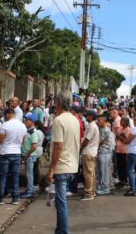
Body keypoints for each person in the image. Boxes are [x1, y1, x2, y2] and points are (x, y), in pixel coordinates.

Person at [45, 93, 81, 234]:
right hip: (72, 166)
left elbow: (58, 146)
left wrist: (51, 169)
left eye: (55, 102)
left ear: (58, 103)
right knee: (61, 202)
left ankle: (63, 231)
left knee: (60, 203)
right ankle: (60, 230)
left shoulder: (58, 120)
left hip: (62, 167)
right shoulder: (74, 119)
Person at [0, 108, 27, 205]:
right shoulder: (22, 125)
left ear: (8, 114)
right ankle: (15, 198)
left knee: (3, 176)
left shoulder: (5, 124)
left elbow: (0, 139)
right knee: (15, 176)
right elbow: (23, 139)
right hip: (17, 152)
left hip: (5, 152)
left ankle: (0, 198)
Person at [80, 110, 100, 201]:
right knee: (91, 173)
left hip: (88, 151)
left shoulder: (92, 126)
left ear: (91, 116)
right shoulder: (93, 125)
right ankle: (92, 191)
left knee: (88, 174)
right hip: (91, 151)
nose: (86, 117)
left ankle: (89, 193)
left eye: (87, 115)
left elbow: (86, 140)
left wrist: (80, 147)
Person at [123, 114, 136, 196]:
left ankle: (133, 188)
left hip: (132, 151)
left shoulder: (135, 129)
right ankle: (135, 187)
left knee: (130, 170)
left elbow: (127, 141)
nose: (134, 122)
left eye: (135, 120)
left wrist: (123, 138)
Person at [20, 112, 39, 199]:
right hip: (28, 155)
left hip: (30, 156)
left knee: (29, 173)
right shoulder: (28, 131)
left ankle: (30, 191)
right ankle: (28, 190)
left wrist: (27, 154)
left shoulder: (33, 132)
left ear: (31, 121)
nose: (25, 121)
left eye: (27, 120)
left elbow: (34, 145)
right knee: (28, 173)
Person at [96, 114, 116, 195]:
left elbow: (99, 142)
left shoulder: (106, 130)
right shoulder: (101, 129)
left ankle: (105, 188)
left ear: (104, 121)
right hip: (102, 152)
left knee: (104, 171)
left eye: (99, 120)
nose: (98, 122)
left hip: (105, 152)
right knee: (101, 171)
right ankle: (102, 186)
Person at [115, 116, 131, 187]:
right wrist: (118, 136)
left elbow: (125, 140)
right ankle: (121, 180)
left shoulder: (128, 129)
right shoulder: (120, 128)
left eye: (122, 121)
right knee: (119, 166)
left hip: (124, 151)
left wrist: (119, 136)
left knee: (124, 166)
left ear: (126, 122)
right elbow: (117, 136)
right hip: (118, 150)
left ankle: (125, 181)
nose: (120, 122)